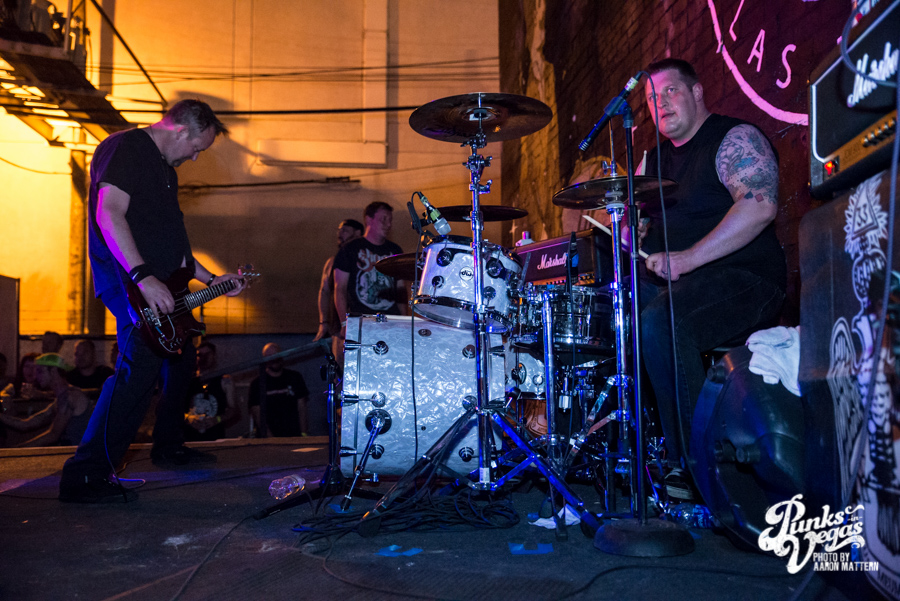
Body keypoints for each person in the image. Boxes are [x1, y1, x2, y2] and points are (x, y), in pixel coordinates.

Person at [58, 99, 247, 503]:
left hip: (161, 286)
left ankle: (150, 451)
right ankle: (85, 475)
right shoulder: (126, 148)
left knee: (168, 367)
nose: (195, 158)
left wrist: (213, 280)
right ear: (180, 129)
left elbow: (174, 250)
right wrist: (143, 277)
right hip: (132, 285)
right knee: (135, 375)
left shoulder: (165, 170)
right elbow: (109, 214)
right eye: (196, 147)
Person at [635, 59, 786, 500]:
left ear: (697, 92)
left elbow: (760, 205)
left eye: (670, 91)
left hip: (745, 279)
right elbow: (639, 227)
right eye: (651, 98)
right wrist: (630, 231)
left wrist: (688, 258)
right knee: (615, 314)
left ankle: (696, 468)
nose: (661, 103)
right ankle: (624, 450)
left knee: (662, 320)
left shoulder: (733, 138)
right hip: (678, 286)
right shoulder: (651, 161)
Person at [333, 202, 405, 342]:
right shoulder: (350, 249)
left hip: (391, 322)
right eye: (383, 219)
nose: (388, 224)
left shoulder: (395, 250)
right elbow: (339, 289)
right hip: (362, 323)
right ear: (368, 220)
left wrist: (403, 321)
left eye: (390, 220)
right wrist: (344, 323)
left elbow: (401, 290)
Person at [0, 353, 94, 447]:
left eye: (40, 371)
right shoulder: (61, 399)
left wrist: (19, 449)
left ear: (53, 371)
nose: (36, 376)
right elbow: (26, 424)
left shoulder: (69, 397)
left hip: (80, 453)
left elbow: (53, 435)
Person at [313, 219, 364, 359]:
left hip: (364, 324)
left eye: (345, 230)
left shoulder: (367, 261)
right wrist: (323, 322)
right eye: (339, 230)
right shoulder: (332, 262)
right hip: (339, 329)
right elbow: (324, 292)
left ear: (358, 233)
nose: (340, 234)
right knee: (341, 365)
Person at [248, 343, 310, 437]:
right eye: (270, 356)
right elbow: (258, 414)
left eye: (276, 355)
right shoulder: (257, 384)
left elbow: (302, 408)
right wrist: (271, 440)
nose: (274, 359)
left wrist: (304, 434)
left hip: (294, 436)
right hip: (268, 439)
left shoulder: (295, 377)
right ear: (264, 359)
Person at [183, 341, 238, 441]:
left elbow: (233, 410)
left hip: (215, 438)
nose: (203, 358)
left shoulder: (225, 381)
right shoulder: (187, 381)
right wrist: (189, 418)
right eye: (200, 355)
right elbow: (174, 410)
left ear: (214, 356)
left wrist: (217, 419)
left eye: (207, 354)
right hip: (190, 439)